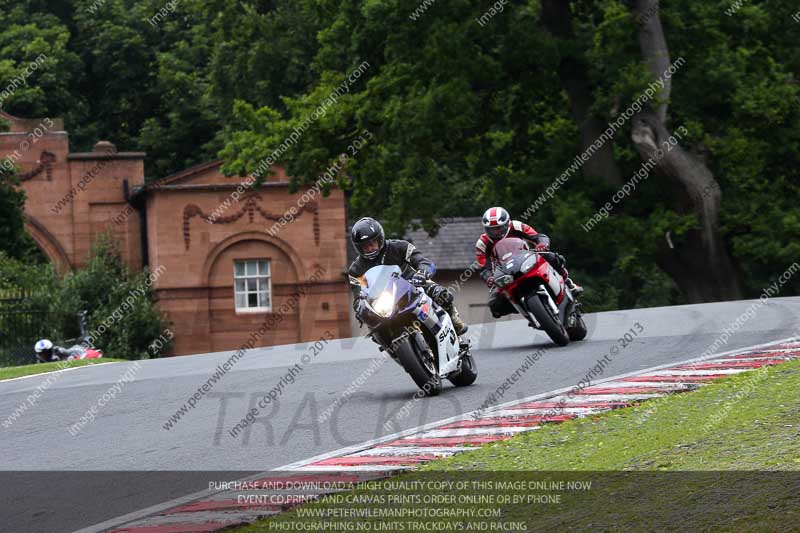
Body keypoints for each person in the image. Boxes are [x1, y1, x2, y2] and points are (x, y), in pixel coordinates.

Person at [347, 217, 468, 337]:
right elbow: (358, 296)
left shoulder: (399, 247)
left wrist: (422, 273)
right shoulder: (356, 270)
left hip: (412, 285)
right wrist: (359, 307)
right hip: (383, 301)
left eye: (372, 243)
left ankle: (454, 320)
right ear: (359, 248)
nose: (369, 248)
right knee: (373, 327)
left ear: (380, 239)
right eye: (364, 246)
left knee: (441, 293)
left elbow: (425, 262)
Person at [476, 207, 582, 318]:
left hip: (526, 258)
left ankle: (568, 283)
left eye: (499, 228)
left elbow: (539, 236)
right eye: (492, 229)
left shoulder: (516, 226)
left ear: (507, 224)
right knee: (494, 305)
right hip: (503, 272)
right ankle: (525, 307)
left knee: (552, 257)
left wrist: (541, 245)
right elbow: (483, 268)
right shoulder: (482, 243)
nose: (496, 232)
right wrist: (489, 277)